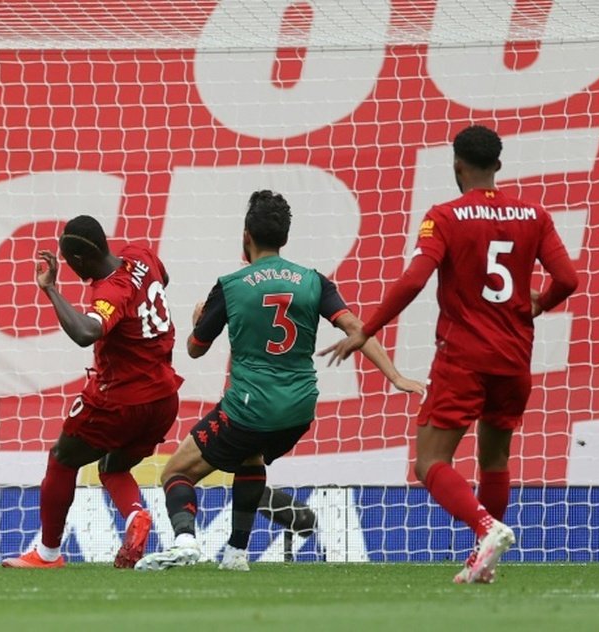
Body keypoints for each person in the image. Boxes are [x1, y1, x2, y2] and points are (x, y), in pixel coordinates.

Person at [321, 124, 578, 583]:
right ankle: (484, 563)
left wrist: (367, 330)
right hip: (515, 357)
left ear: (456, 165)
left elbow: (415, 279)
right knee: (495, 459)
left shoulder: (445, 216)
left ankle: (486, 528)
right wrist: (538, 303)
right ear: (497, 165)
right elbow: (568, 279)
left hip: (463, 358)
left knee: (429, 462)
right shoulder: (534, 215)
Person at [135, 190, 424, 572]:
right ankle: (237, 554)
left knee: (175, 472)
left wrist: (195, 323)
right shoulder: (313, 281)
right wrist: (395, 375)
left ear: (246, 237)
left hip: (249, 409)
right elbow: (357, 328)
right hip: (299, 411)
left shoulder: (232, 285)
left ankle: (185, 541)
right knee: (250, 456)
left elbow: (195, 349)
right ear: (284, 238)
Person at [1, 215, 184, 569]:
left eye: (69, 264)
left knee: (62, 458)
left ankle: (48, 554)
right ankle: (135, 517)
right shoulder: (140, 254)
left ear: (80, 261)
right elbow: (164, 278)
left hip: (122, 399)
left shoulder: (110, 291)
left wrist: (51, 289)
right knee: (113, 465)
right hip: (164, 397)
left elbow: (87, 332)